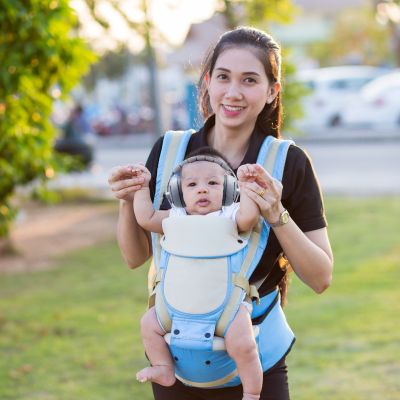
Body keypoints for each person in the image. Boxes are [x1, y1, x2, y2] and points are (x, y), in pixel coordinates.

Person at [108, 26, 333, 400]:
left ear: (272, 91)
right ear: (208, 82)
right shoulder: (169, 151)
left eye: (249, 80)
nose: (233, 93)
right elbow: (134, 258)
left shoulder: (287, 163)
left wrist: (276, 213)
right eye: (224, 77)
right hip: (177, 360)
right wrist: (126, 199)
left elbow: (321, 277)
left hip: (255, 362)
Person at [132, 147, 264, 400]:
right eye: (192, 184)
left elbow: (249, 217)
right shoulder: (176, 216)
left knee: (245, 345)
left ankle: (252, 392)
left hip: (226, 308)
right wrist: (141, 187)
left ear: (228, 190)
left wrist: (247, 186)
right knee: (148, 324)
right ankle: (163, 367)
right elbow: (146, 218)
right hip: (173, 306)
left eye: (213, 183)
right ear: (178, 193)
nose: (202, 189)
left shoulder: (231, 214)